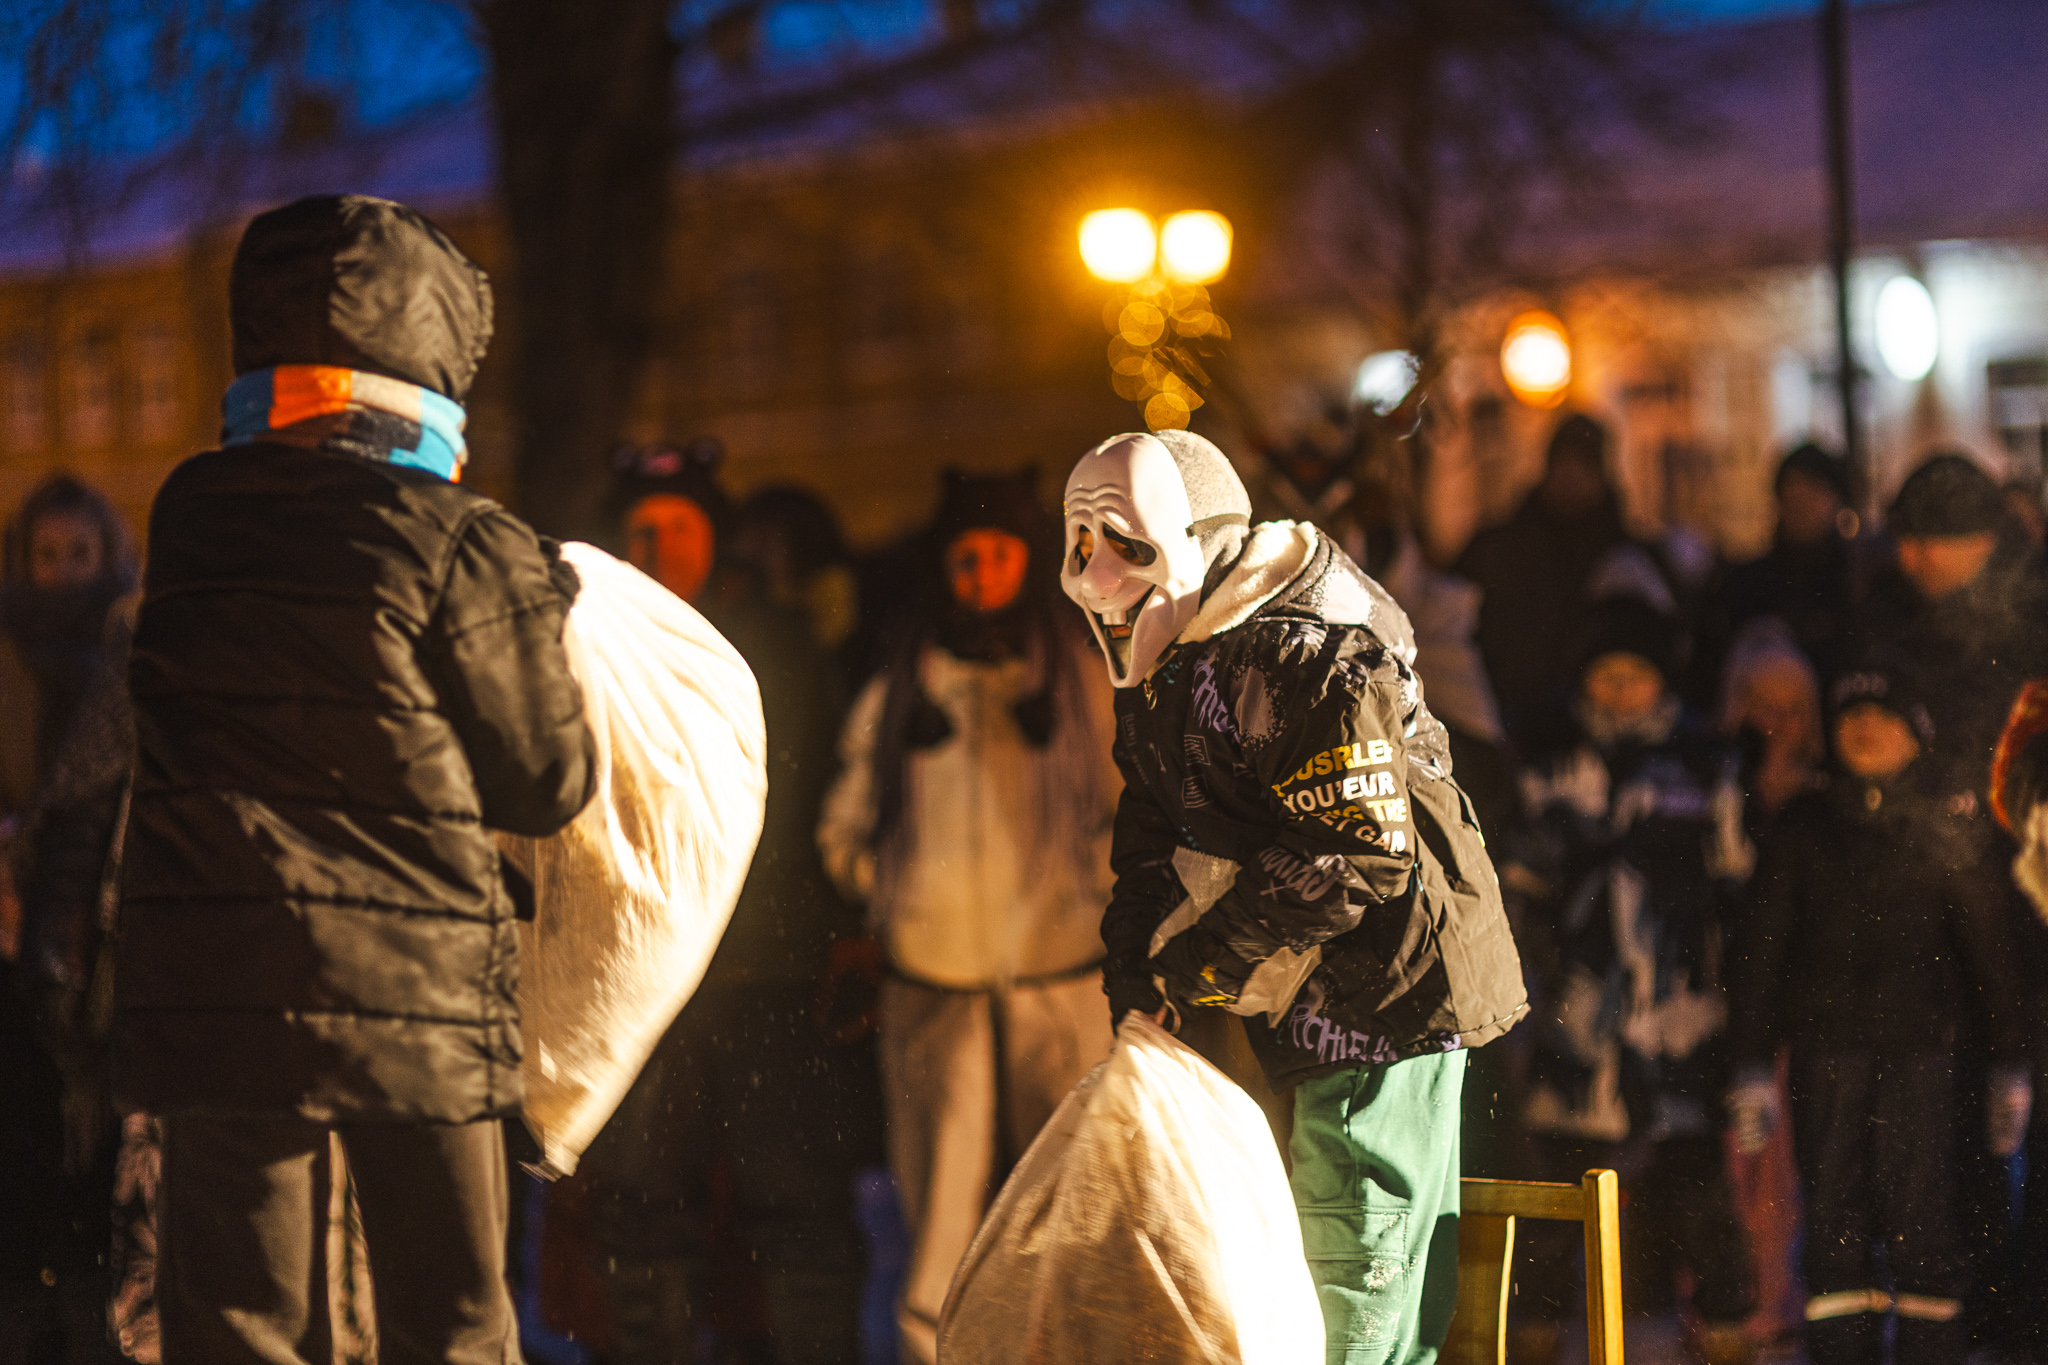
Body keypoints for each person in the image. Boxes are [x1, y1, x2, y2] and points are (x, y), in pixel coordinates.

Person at [111, 194, 596, 1364]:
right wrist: (540, 612)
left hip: (220, 992)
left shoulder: (189, 520)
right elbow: (546, 779)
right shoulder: (461, 538)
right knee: (451, 1327)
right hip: (413, 1003)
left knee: (235, 1329)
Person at [1061, 430, 1525, 1365]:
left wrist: (1202, 962)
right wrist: (1139, 970)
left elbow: (1356, 850)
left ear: (1198, 541)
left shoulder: (1302, 654)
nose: (1098, 579)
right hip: (1297, 996)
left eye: (1126, 544)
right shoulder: (1174, 662)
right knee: (1310, 1268)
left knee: (1356, 1267)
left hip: (1385, 996)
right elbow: (1154, 838)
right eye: (1081, 546)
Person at [582, 445, 878, 1365]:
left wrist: (837, 928)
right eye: (643, 528)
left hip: (766, 968)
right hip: (642, 975)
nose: (659, 547)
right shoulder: (598, 641)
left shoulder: (773, 645)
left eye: (680, 527)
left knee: (797, 1204)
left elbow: (818, 788)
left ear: (716, 538)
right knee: (640, 1205)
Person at [818, 467, 1118, 1365]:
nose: (983, 574)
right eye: (966, 557)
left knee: (1072, 1209)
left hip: (1061, 982)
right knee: (942, 1219)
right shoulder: (904, 685)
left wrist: (1092, 897)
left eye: (1000, 554)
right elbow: (845, 823)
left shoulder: (1079, 679)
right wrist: (893, 888)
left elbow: (1127, 812)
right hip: (934, 984)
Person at [1730, 661, 2030, 1365]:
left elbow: (1990, 952)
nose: (1866, 729)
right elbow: (1762, 950)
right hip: (1827, 1054)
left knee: (1925, 1219)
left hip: (1925, 1056)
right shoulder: (1804, 825)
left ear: (1915, 734)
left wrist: (2009, 1062)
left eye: (1884, 716)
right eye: (1853, 716)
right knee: (1833, 1220)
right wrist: (1749, 1064)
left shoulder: (1946, 824)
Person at [1511, 594, 1757, 1365]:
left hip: (1677, 1016)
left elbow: (1737, 886)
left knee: (1695, 1182)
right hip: (1578, 1016)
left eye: (1637, 673)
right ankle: (1533, 1331)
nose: (1621, 689)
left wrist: (1728, 1001)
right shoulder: (1551, 761)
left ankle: (1726, 1329)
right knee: (1557, 1188)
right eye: (1607, 673)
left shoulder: (1704, 761)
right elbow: (1519, 883)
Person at [0, 474, 138, 1365]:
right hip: (7, 927)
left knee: (93, 1137)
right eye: (46, 555)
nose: (62, 573)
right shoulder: (6, 655)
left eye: (80, 553)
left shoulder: (129, 661)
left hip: (96, 931)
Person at [1854, 452, 2047, 801]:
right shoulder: (1893, 606)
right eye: (1902, 541)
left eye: (1922, 544)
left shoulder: (2035, 615)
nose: (1906, 559)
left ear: (1977, 541)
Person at [1455, 412, 1631, 739]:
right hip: (1505, 716)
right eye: (1563, 461)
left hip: (1596, 726)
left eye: (1584, 463)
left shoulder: (1626, 557)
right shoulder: (1498, 549)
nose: (1571, 475)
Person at [1719, 443, 1860, 683]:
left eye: (1813, 491)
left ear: (1835, 499)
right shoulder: (1746, 584)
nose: (1801, 503)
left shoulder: (1857, 583)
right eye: (1792, 491)